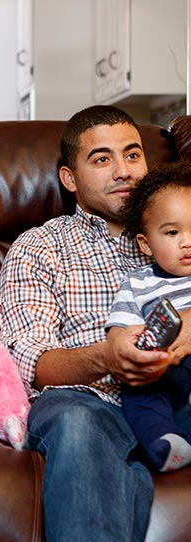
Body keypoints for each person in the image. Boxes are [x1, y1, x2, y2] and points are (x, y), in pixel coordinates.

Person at [0, 105, 183, 542]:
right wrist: (105, 357)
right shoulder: (40, 246)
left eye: (133, 154)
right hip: (87, 399)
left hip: (179, 392)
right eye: (101, 159)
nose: (123, 170)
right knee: (78, 426)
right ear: (69, 178)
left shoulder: (185, 228)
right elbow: (25, 360)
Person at [106, 162, 191, 472]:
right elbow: (120, 335)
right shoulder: (137, 283)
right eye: (172, 232)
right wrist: (138, 352)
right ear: (146, 244)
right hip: (167, 371)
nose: (187, 242)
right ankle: (165, 441)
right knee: (138, 390)